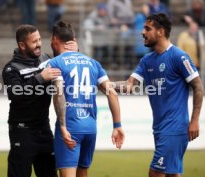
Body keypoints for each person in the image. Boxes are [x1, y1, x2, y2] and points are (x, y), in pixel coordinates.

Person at [113, 13, 203, 177]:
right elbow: (130, 86)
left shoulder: (179, 56)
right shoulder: (146, 60)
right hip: (160, 129)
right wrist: (105, 85)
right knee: (171, 174)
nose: (143, 32)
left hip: (175, 128)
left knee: (155, 173)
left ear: (160, 31)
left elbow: (198, 87)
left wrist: (195, 120)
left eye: (148, 28)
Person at [49, 21, 125, 177]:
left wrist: (62, 126)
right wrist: (117, 125)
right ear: (74, 40)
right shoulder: (93, 63)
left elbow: (59, 94)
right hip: (90, 127)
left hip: (70, 126)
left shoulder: (55, 63)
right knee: (82, 172)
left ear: (55, 40)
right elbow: (112, 92)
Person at [2, 24, 77, 177]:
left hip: (44, 128)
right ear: (22, 45)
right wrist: (41, 77)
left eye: (39, 39)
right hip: (22, 130)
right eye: (34, 41)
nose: (39, 44)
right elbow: (16, 94)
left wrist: (75, 52)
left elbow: (68, 67)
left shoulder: (46, 59)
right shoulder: (11, 68)